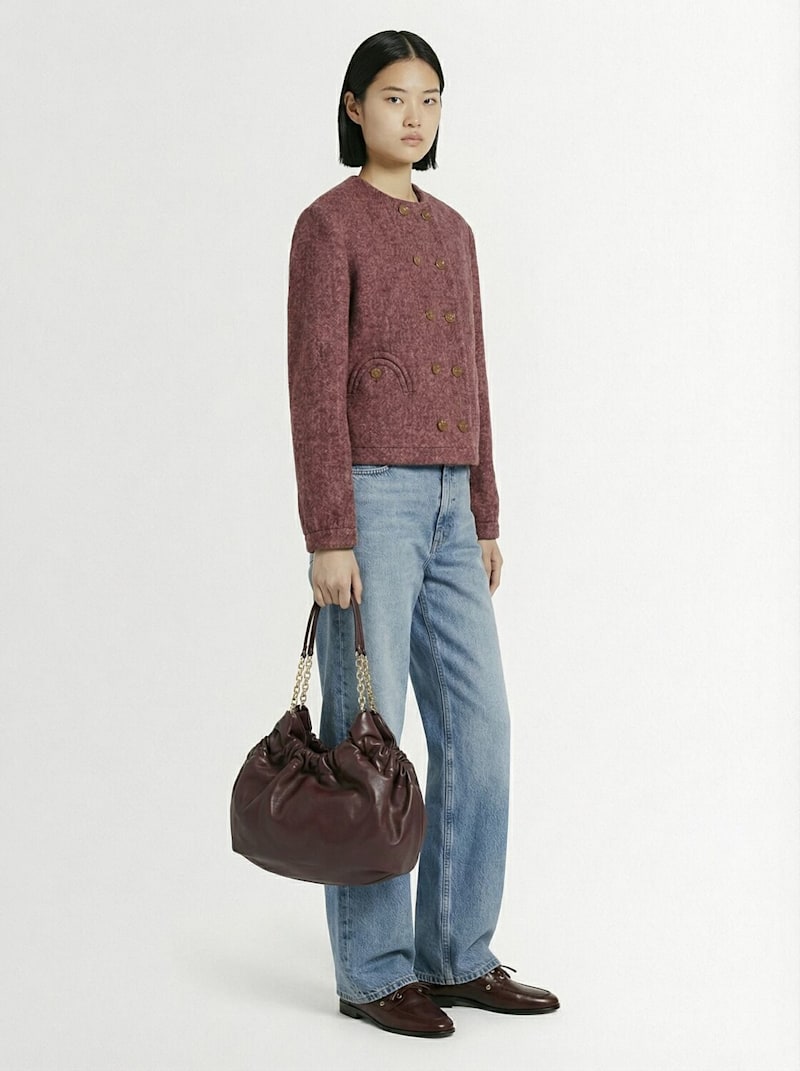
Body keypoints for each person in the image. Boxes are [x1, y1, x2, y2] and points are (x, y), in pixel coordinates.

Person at [286, 29, 559, 1039]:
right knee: (366, 735)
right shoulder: (328, 226)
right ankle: (371, 971)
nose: (414, 116)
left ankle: (456, 953)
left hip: (451, 507)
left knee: (480, 730)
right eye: (395, 97)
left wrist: (484, 511)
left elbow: (474, 379)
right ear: (354, 107)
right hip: (371, 503)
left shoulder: (454, 233)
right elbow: (315, 386)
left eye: (430, 99)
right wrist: (329, 530)